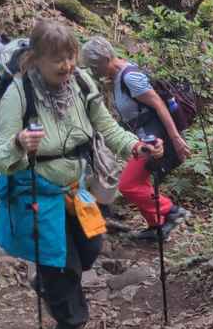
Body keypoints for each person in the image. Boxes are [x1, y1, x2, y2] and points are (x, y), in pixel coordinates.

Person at [0, 20, 161, 329]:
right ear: (35, 58)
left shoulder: (81, 83)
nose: (67, 65)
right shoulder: (19, 94)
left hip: (73, 186)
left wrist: (136, 147)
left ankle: (49, 287)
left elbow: (107, 127)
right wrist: (20, 142)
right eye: (57, 59)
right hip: (34, 188)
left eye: (70, 56)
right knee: (61, 261)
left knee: (90, 246)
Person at [78, 37, 193, 242]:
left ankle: (171, 211)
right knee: (139, 181)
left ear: (106, 59)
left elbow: (159, 105)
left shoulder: (129, 77)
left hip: (154, 139)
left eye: (95, 66)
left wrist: (175, 138)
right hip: (144, 137)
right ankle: (157, 226)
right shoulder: (117, 76)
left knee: (128, 184)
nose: (94, 71)